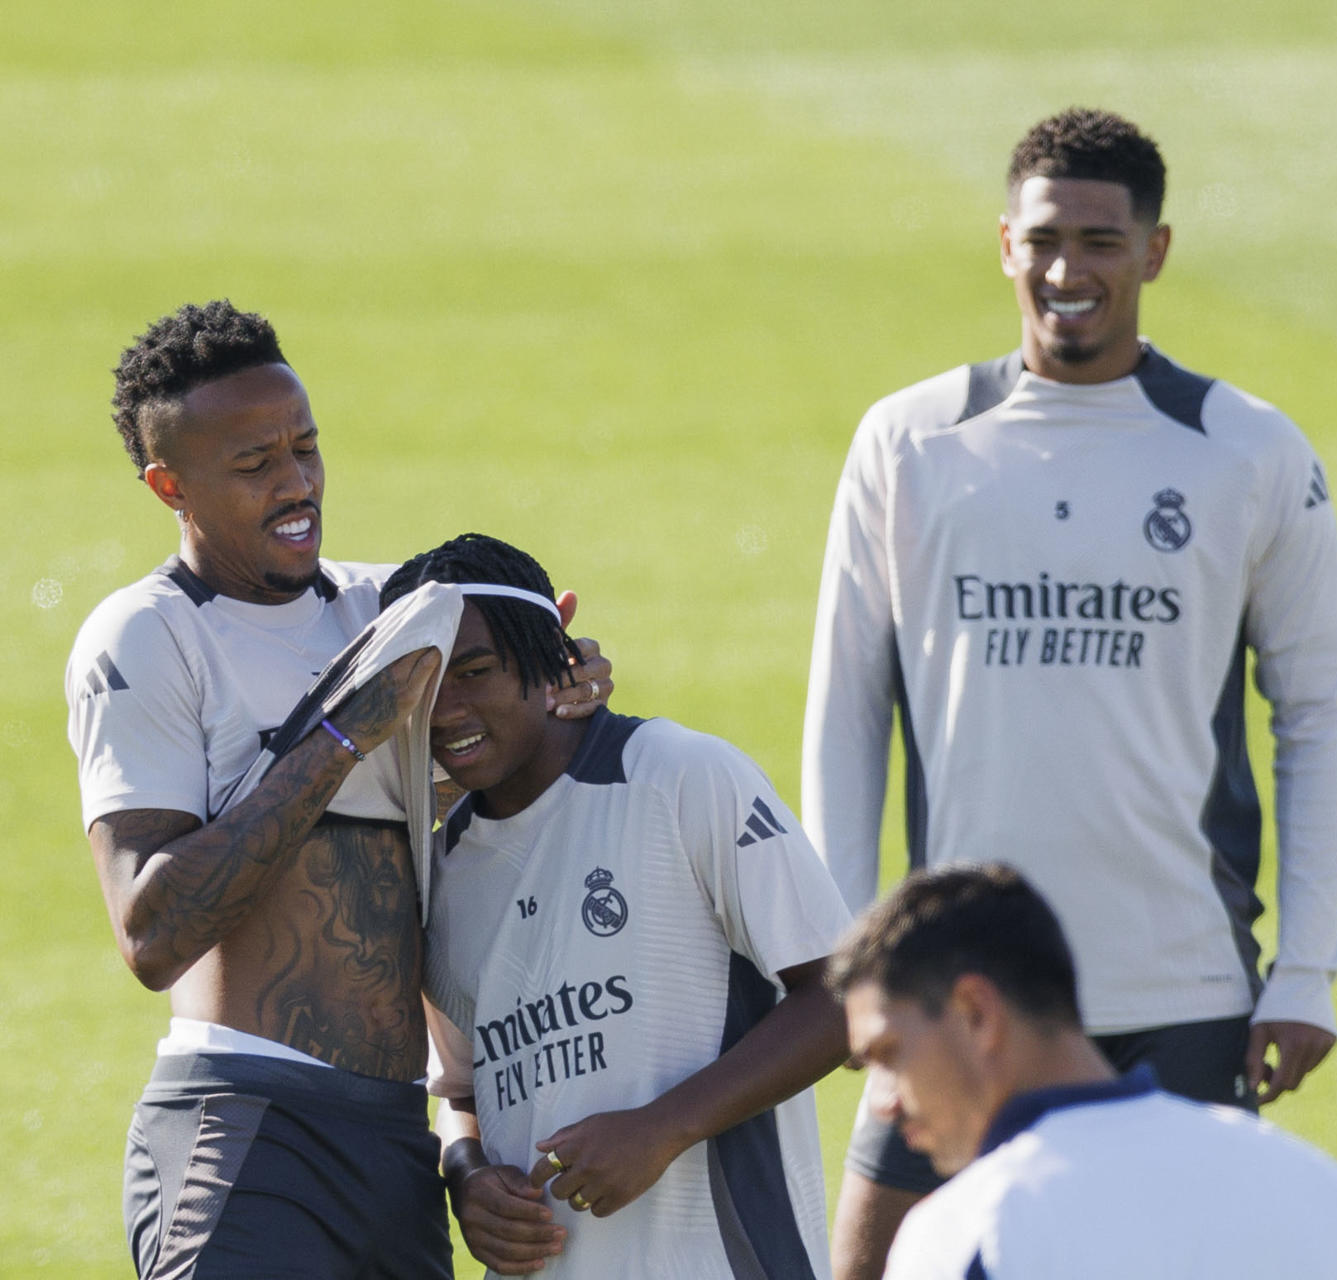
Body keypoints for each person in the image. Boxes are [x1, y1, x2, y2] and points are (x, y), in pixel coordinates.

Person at [802, 106, 1337, 1274]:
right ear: (1004, 241)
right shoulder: (909, 441)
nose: (1070, 270)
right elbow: (846, 705)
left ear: (1154, 251)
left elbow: (1318, 711)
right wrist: (842, 954)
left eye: (1103, 242)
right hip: (956, 989)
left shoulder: (1246, 450)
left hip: (1184, 981)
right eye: (1047, 238)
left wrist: (1303, 966)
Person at [65, 301, 611, 1278]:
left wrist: (561, 685)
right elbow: (152, 932)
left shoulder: (393, 607)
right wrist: (336, 736)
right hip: (242, 1130)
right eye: (254, 463)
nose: (296, 482)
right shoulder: (147, 636)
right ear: (168, 484)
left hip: (395, 1140)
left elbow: (511, 796)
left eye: (305, 446)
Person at [383, 534, 852, 1278]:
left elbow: (846, 999)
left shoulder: (678, 777)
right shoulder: (436, 876)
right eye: (423, 684)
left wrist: (662, 1129)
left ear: (548, 653)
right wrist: (468, 1175)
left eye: (474, 672)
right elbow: (464, 1088)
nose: (447, 711)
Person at [830, 863, 1337, 1279]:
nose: (885, 1100)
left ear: (977, 1014)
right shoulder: (1321, 1189)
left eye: (888, 1054)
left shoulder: (969, 1231)